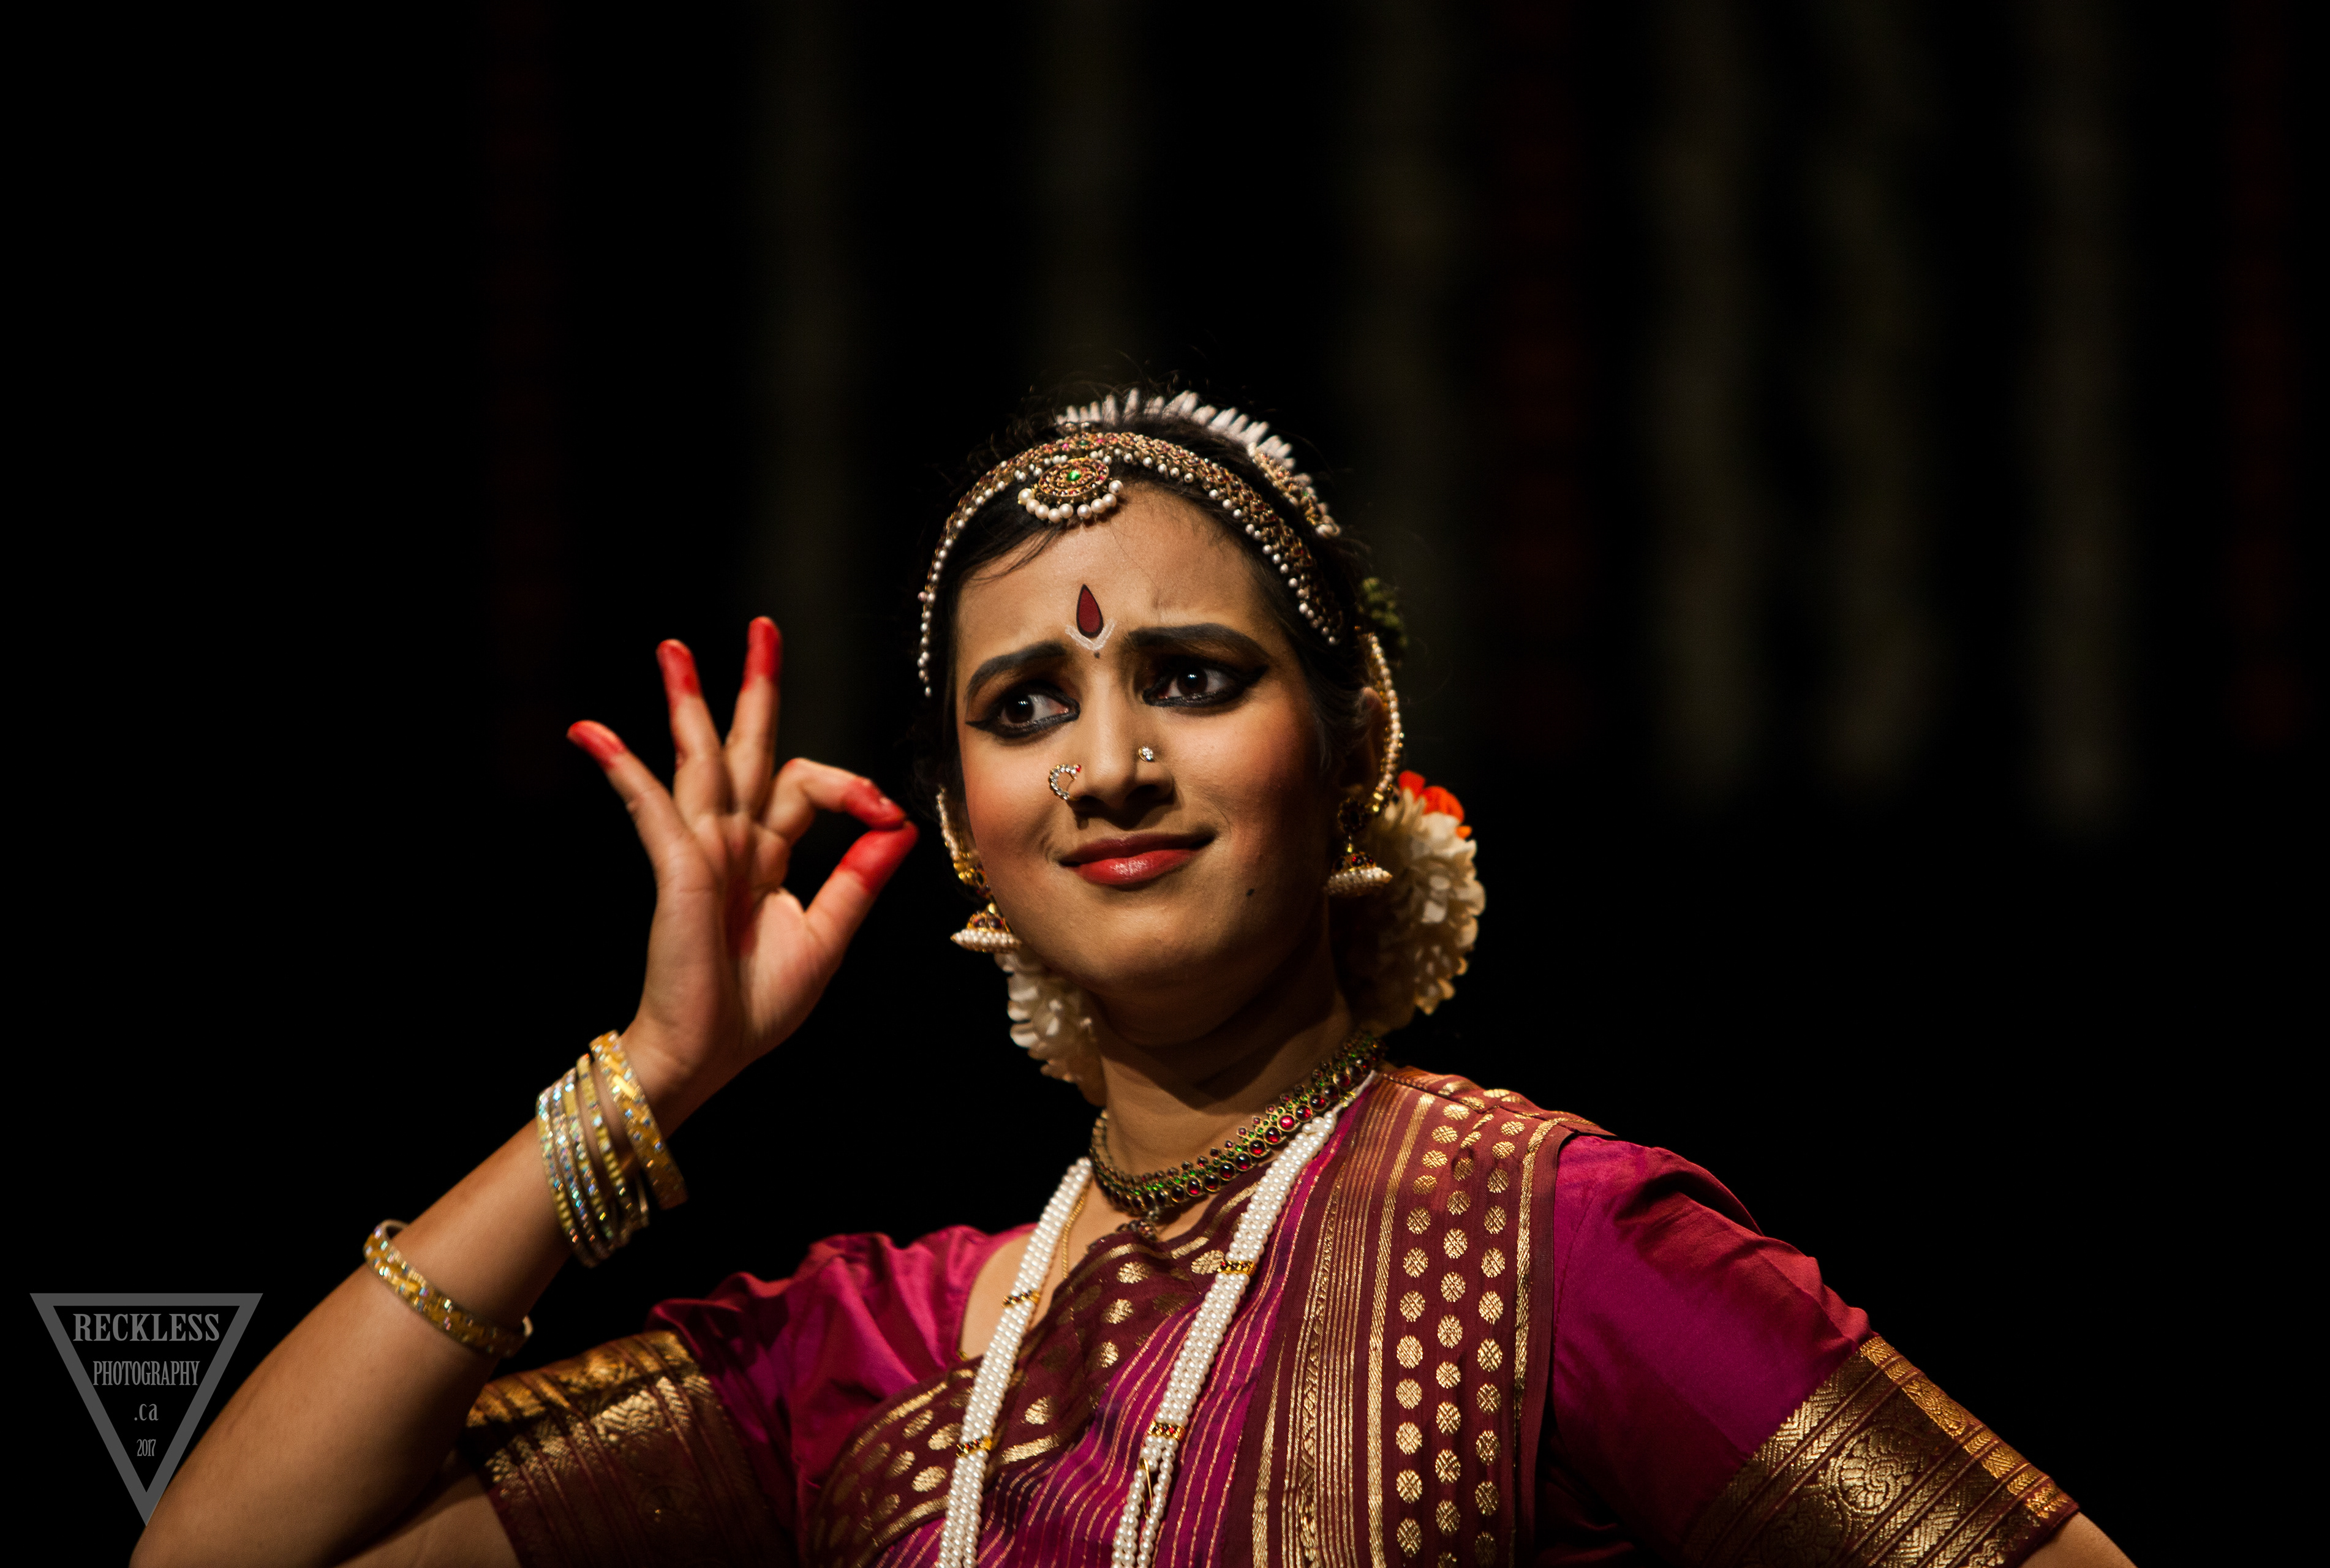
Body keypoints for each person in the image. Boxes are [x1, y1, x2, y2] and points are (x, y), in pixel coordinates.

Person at [135, 390, 2135, 1568]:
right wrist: (652, 1077)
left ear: (1349, 751)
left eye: (1190, 676)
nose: (1108, 766)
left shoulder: (1564, 1251)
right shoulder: (865, 1359)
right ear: (967, 828)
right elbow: (221, 1550)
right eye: (1027, 707)